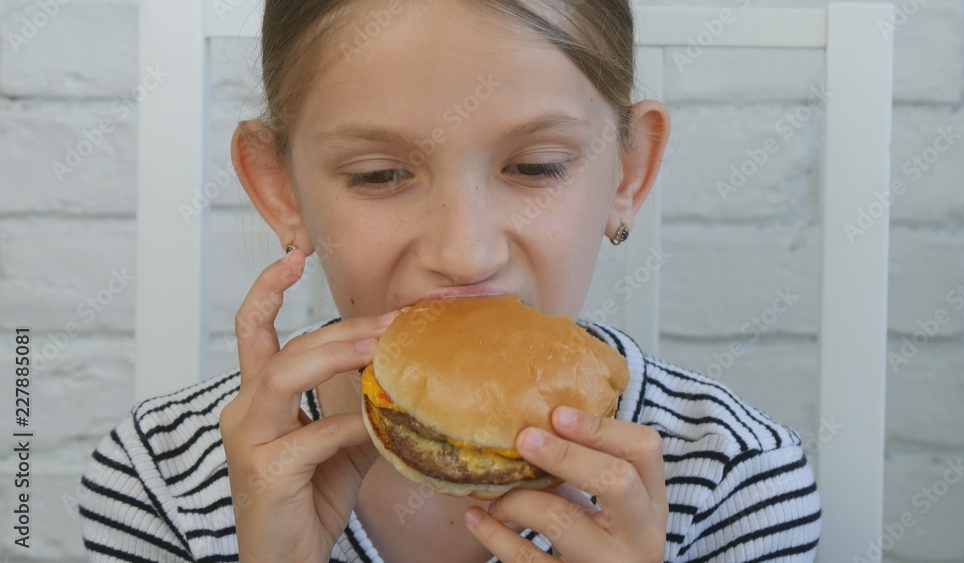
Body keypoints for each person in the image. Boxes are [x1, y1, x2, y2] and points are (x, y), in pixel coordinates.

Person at [78, 0, 822, 560]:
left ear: (627, 173)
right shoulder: (159, 479)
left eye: (534, 167)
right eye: (380, 175)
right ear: (281, 190)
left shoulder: (736, 481)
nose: (466, 254)